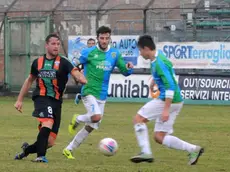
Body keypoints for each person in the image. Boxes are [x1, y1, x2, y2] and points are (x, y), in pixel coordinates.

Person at [130, 35, 204, 165]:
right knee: (159, 136)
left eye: (140, 50)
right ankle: (194, 149)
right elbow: (169, 73)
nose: (140, 53)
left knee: (138, 119)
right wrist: (154, 80)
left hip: (168, 100)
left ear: (146, 48)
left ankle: (146, 152)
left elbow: (169, 85)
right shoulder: (159, 57)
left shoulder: (159, 63)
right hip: (177, 101)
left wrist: (165, 110)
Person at [62, 26, 134, 159]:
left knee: (91, 127)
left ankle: (69, 149)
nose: (104, 41)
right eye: (102, 38)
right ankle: (77, 118)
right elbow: (73, 64)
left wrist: (129, 68)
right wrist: (76, 73)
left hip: (102, 94)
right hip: (89, 90)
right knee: (96, 117)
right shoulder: (88, 52)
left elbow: (124, 71)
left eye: (107, 38)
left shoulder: (114, 54)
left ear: (110, 38)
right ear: (97, 39)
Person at [14, 33, 87, 163]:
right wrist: (19, 100)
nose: (56, 46)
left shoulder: (64, 62)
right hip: (41, 98)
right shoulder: (38, 62)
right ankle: (40, 156)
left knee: (49, 142)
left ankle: (26, 150)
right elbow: (30, 80)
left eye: (58, 44)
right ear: (46, 45)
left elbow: (76, 73)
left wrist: (80, 78)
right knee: (48, 122)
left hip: (57, 102)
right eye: (53, 43)